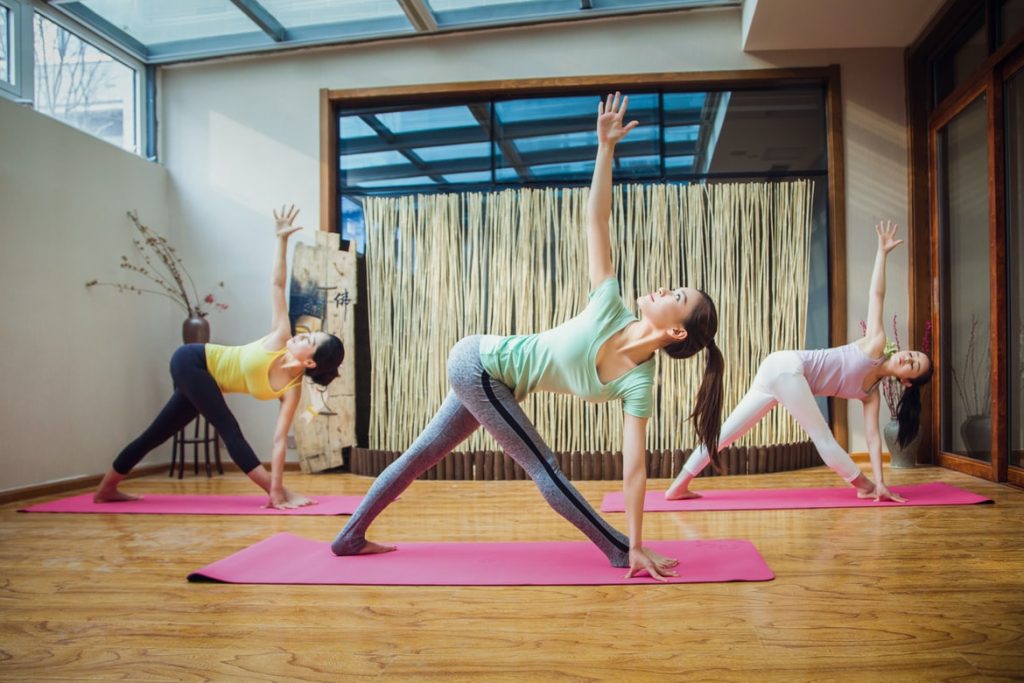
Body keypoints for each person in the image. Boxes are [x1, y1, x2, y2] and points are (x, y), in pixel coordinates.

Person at [331, 93, 724, 581]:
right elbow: (595, 220)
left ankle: (349, 536)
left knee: (422, 454)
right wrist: (605, 149)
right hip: (479, 364)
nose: (665, 286)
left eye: (678, 294)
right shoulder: (609, 305)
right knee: (545, 466)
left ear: (675, 330)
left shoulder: (638, 384)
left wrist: (642, 539)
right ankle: (617, 552)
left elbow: (635, 469)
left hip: (495, 383)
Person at [94, 206, 344, 509]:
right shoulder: (281, 336)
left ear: (310, 363)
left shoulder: (291, 390)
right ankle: (278, 494)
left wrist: (279, 484)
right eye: (307, 332)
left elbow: (279, 442)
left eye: (309, 340)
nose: (301, 334)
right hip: (193, 360)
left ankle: (106, 489)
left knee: (156, 434)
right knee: (229, 428)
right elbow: (277, 285)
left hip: (205, 380)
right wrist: (281, 241)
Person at [665, 220, 933, 503]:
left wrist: (884, 481)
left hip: (779, 373)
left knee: (727, 434)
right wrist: (882, 252)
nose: (907, 357)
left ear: (906, 381)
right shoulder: (876, 343)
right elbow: (876, 295)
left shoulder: (870, 395)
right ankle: (864, 486)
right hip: (787, 367)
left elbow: (873, 439)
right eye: (913, 354)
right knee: (823, 438)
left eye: (912, 365)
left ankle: (678, 487)